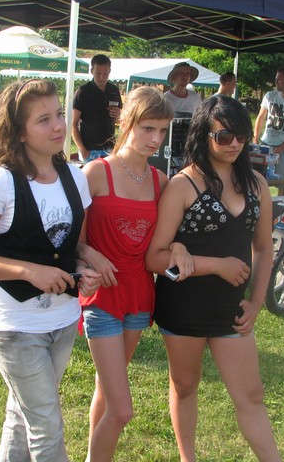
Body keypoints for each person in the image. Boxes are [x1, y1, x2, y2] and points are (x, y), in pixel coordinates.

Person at [0, 79, 101, 461]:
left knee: (22, 417)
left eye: (58, 114)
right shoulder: (1, 181)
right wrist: (29, 272)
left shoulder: (75, 177)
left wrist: (85, 268)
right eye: (43, 120)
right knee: (46, 425)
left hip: (63, 320)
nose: (58, 126)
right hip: (17, 326)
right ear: (19, 132)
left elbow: (72, 248)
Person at [145, 96, 280, 462]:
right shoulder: (183, 185)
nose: (234, 143)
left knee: (250, 395)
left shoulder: (257, 185)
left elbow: (264, 248)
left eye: (241, 135)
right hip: (184, 307)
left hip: (231, 309)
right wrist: (216, 265)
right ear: (203, 136)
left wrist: (256, 302)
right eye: (223, 136)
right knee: (185, 386)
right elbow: (155, 257)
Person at [77, 87, 177, 461]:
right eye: (148, 128)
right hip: (101, 295)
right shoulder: (95, 173)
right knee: (122, 409)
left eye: (162, 130)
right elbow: (72, 241)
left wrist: (180, 249)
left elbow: (164, 243)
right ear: (125, 121)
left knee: (106, 391)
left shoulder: (160, 181)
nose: (156, 139)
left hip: (139, 296)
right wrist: (90, 254)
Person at [72, 54, 123, 161]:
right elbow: (73, 124)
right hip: (89, 148)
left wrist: (118, 115)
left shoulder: (113, 90)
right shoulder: (83, 91)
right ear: (92, 71)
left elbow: (121, 118)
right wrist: (82, 149)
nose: (101, 77)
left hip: (110, 147)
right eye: (98, 73)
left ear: (110, 71)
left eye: (105, 74)